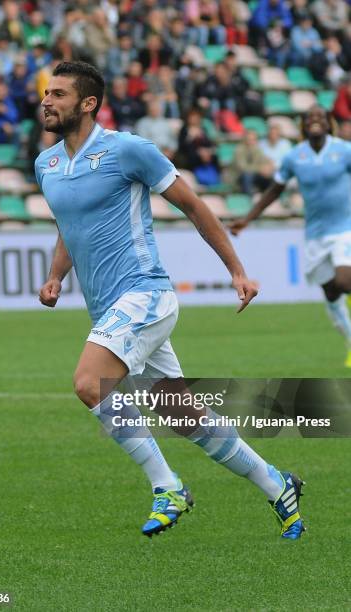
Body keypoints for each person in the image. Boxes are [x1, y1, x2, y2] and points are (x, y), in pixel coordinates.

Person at [35, 60, 305, 540]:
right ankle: (277, 483)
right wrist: (56, 276)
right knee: (183, 415)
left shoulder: (130, 150)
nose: (46, 100)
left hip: (145, 293)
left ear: (88, 103)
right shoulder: (47, 164)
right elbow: (68, 227)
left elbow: (194, 206)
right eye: (47, 93)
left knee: (88, 383)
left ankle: (168, 486)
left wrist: (237, 270)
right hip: (109, 308)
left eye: (58, 93)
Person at [230, 106, 351, 368]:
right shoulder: (294, 157)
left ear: (328, 123)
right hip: (315, 236)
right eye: (310, 118)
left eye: (320, 116)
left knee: (343, 280)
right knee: (331, 293)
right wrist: (248, 219)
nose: (315, 120)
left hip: (345, 229)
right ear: (303, 125)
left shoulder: (344, 150)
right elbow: (274, 190)